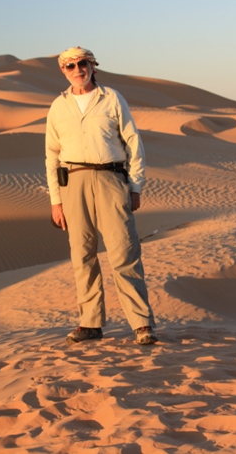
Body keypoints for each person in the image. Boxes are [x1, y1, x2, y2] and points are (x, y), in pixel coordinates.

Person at [45, 46, 157, 345]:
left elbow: (133, 142)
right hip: (73, 183)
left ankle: (141, 324)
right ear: (63, 71)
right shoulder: (58, 106)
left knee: (123, 252)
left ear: (92, 66)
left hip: (111, 179)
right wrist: (56, 201)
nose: (77, 69)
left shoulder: (112, 98)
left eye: (82, 63)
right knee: (82, 255)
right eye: (70, 66)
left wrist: (135, 187)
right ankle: (90, 323)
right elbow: (51, 156)